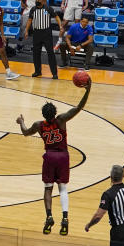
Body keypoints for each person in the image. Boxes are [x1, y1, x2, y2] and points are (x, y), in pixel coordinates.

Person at [17, 79, 93, 236]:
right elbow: (79, 107)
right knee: (63, 188)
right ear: (55, 112)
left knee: (48, 188)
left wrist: (21, 122)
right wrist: (87, 91)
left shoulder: (39, 125)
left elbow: (25, 132)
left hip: (50, 157)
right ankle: (65, 218)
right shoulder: (61, 120)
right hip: (63, 156)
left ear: (43, 114)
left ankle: (49, 216)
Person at [25, 0, 61, 79]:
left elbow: (57, 17)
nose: (37, 2)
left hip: (46, 33)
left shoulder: (48, 8)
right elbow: (30, 20)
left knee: (50, 53)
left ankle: (54, 73)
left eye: (39, 1)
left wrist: (60, 26)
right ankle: (37, 71)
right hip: (36, 33)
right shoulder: (33, 9)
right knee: (36, 53)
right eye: (36, 1)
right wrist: (26, 30)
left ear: (43, 1)